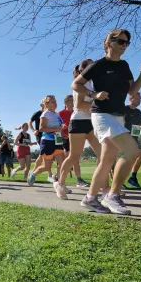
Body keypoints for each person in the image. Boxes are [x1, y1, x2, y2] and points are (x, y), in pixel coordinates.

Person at [71, 29, 141, 214]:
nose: (124, 46)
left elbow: (132, 91)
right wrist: (93, 94)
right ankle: (112, 195)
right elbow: (75, 84)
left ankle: (90, 199)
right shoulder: (99, 65)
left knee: (107, 160)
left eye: (126, 43)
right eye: (120, 42)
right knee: (132, 151)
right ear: (109, 43)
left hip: (118, 116)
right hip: (102, 115)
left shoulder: (124, 65)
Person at [55, 60, 104, 203]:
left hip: (91, 122)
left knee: (103, 155)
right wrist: (97, 102)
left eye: (93, 64)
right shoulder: (80, 83)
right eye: (87, 65)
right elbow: (79, 104)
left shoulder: (93, 83)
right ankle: (60, 183)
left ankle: (103, 187)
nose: (91, 67)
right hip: (78, 122)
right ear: (81, 69)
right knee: (74, 156)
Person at [28, 95, 66, 188]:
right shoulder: (45, 114)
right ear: (47, 104)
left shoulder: (57, 115)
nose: (55, 103)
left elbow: (58, 129)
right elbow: (41, 128)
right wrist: (57, 128)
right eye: (53, 102)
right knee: (46, 167)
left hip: (58, 140)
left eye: (55, 101)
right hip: (47, 141)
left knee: (62, 163)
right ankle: (33, 174)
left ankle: (60, 184)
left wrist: (62, 133)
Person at [58, 94, 89, 187]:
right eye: (70, 100)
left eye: (73, 100)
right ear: (66, 102)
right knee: (70, 159)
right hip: (65, 138)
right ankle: (59, 179)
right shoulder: (61, 113)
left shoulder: (76, 113)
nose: (73, 102)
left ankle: (78, 180)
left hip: (75, 137)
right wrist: (62, 131)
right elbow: (56, 127)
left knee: (75, 159)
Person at [122, 92, 141, 188]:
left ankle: (132, 178)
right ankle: (121, 182)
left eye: (140, 99)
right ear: (131, 99)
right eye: (137, 98)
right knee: (126, 160)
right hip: (124, 137)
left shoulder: (138, 112)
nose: (139, 100)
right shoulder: (124, 109)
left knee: (140, 156)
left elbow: (139, 126)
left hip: (134, 137)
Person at [29, 103, 53, 181]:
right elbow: (30, 122)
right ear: (41, 105)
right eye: (44, 104)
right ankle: (49, 175)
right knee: (46, 154)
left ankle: (33, 172)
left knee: (42, 155)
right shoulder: (37, 113)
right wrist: (33, 130)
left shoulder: (49, 113)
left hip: (49, 136)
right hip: (40, 136)